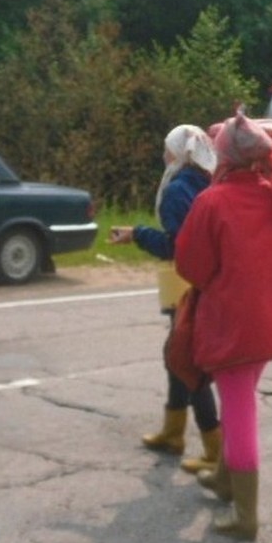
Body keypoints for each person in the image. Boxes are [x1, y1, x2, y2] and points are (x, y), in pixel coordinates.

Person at [175, 111, 272, 541]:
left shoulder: (212, 202)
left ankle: (245, 516)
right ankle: (226, 480)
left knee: (239, 409)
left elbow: (191, 267)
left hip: (232, 325)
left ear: (225, 156)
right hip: (270, 322)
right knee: (239, 399)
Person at [109, 125, 221, 473]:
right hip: (207, 282)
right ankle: (173, 433)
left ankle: (214, 449)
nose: (163, 156)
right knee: (177, 355)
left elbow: (177, 246)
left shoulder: (177, 190)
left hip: (184, 283)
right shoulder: (207, 181)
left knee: (187, 361)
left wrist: (137, 235)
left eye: (167, 150)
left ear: (180, 154)